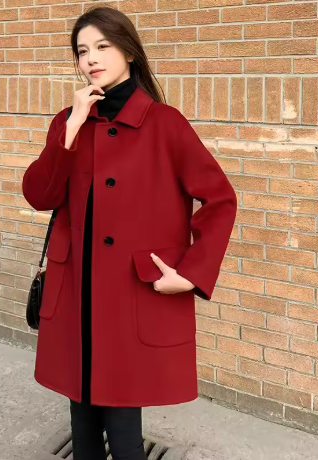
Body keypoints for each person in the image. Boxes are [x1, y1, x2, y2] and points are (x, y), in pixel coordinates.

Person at [22, 6, 237, 460]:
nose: (91, 59)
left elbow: (220, 199)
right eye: (82, 51)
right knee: (81, 416)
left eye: (103, 46)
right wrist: (71, 130)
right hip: (75, 291)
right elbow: (40, 194)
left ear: (130, 52)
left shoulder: (165, 123)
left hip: (130, 295)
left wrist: (191, 272)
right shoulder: (68, 121)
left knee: (123, 429)